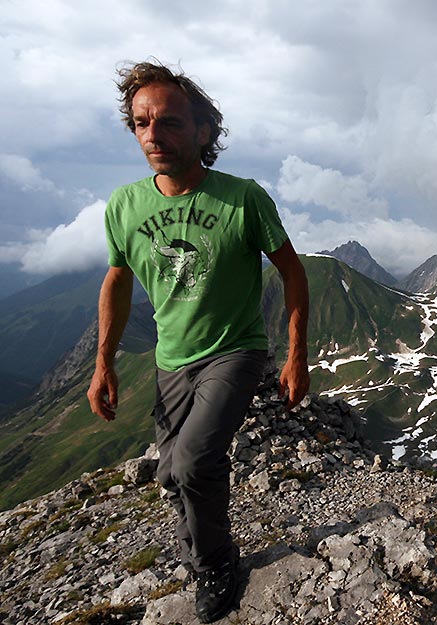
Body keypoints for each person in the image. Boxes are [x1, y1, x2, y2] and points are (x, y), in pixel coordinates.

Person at [86, 61, 310, 623]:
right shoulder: (124, 207)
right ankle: (197, 545)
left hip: (235, 352)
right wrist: (103, 364)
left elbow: (293, 270)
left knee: (192, 464)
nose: (154, 135)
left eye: (170, 123)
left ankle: (216, 564)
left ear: (204, 132)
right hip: (170, 362)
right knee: (172, 472)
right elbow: (116, 279)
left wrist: (295, 355)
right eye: (142, 123)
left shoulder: (244, 199)